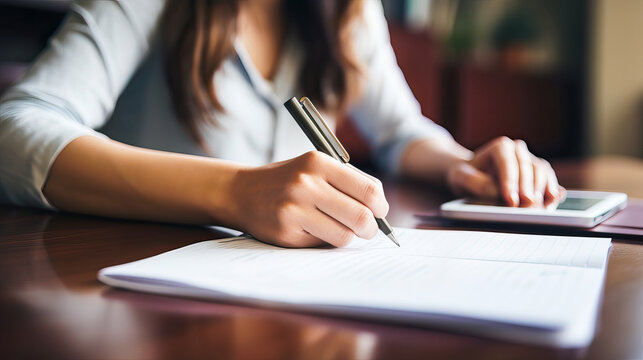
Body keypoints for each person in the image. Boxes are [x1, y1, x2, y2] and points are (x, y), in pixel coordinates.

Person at [0, 0, 564, 248]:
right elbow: (17, 128)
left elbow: (401, 131)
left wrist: (463, 164)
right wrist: (232, 191)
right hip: (127, 283)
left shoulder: (349, 9)